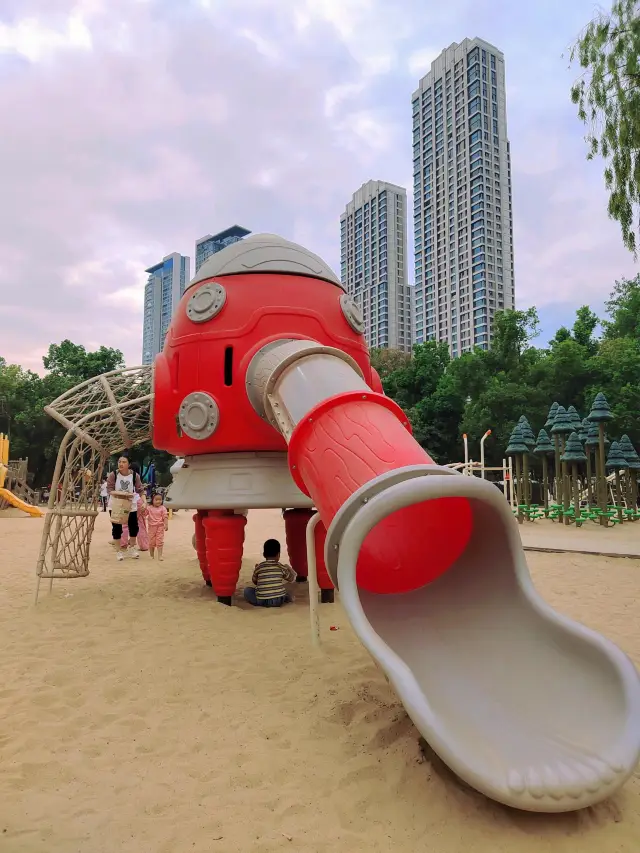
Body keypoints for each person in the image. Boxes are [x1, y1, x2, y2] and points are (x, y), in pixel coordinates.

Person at [107, 456, 145, 561]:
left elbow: (140, 490)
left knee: (133, 527)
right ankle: (118, 551)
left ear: (128, 464)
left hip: (130, 505)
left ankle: (132, 548)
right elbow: (109, 489)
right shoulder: (113, 475)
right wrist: (122, 494)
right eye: (119, 462)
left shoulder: (134, 476)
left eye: (124, 462)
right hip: (116, 505)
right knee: (117, 528)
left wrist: (145, 502)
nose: (121, 464)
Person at [243, 539, 295, 607]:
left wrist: (256, 570)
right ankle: (286, 597)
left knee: (247, 591)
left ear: (264, 554)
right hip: (279, 600)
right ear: (278, 555)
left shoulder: (259, 567)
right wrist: (289, 569)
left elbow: (255, 582)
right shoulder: (281, 567)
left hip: (263, 601)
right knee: (283, 590)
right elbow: (291, 579)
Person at [145, 491, 169, 560]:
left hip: (160, 527)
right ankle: (151, 555)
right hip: (151, 527)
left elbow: (165, 517)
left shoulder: (163, 508)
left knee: (159, 541)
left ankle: (160, 556)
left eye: (160, 500)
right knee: (151, 542)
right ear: (152, 500)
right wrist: (143, 509)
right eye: (156, 500)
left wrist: (166, 524)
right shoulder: (149, 508)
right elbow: (144, 514)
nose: (158, 501)